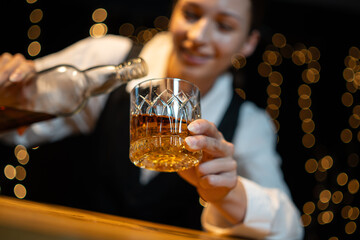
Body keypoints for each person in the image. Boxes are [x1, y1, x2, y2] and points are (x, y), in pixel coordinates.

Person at [0, 0, 304, 239]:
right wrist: (8, 91)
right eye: (191, 14)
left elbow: (289, 230)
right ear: (173, 13)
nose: (198, 36)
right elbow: (16, 127)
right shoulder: (109, 61)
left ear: (248, 43)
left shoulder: (249, 124)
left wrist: (228, 193)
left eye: (224, 26)